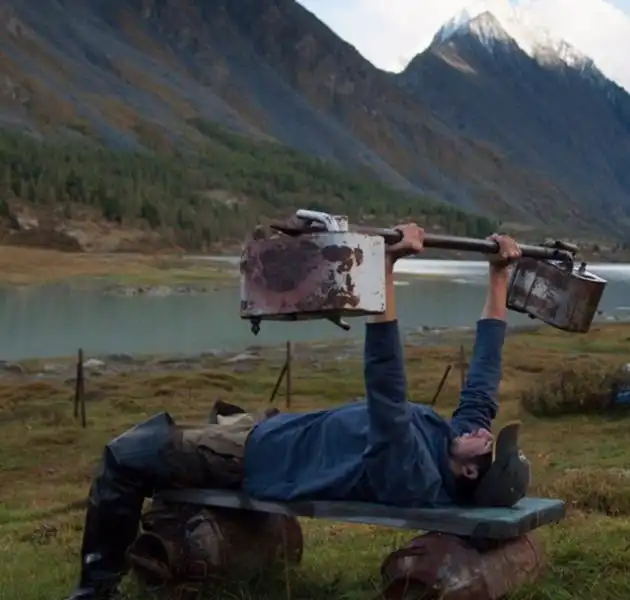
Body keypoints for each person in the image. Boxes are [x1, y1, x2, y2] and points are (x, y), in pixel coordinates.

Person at [66, 223, 531, 600]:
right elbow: (483, 378)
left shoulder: (413, 474)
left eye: (489, 445)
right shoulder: (455, 442)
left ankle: (93, 591)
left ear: (469, 472)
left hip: (250, 454)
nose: (485, 433)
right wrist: (498, 275)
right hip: (271, 430)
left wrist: (385, 268)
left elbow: (386, 385)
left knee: (124, 455)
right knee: (165, 447)